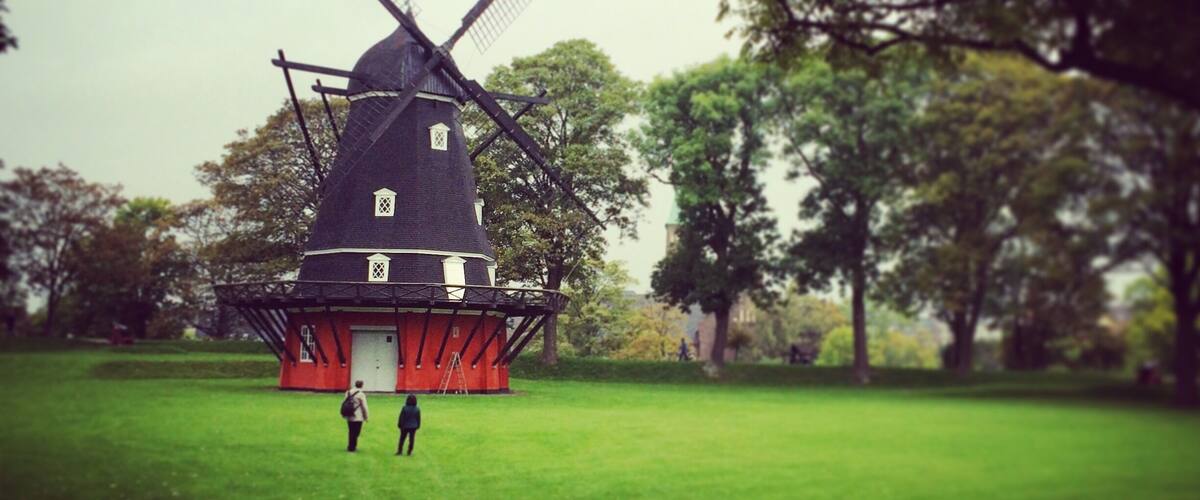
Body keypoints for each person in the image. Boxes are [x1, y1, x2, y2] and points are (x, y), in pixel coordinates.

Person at [343, 380, 369, 452]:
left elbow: (344, 402)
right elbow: (364, 406)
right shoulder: (361, 394)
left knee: (351, 431)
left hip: (349, 414)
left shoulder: (348, 392)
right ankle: (353, 447)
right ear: (362, 385)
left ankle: (350, 446)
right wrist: (366, 416)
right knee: (356, 432)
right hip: (358, 416)